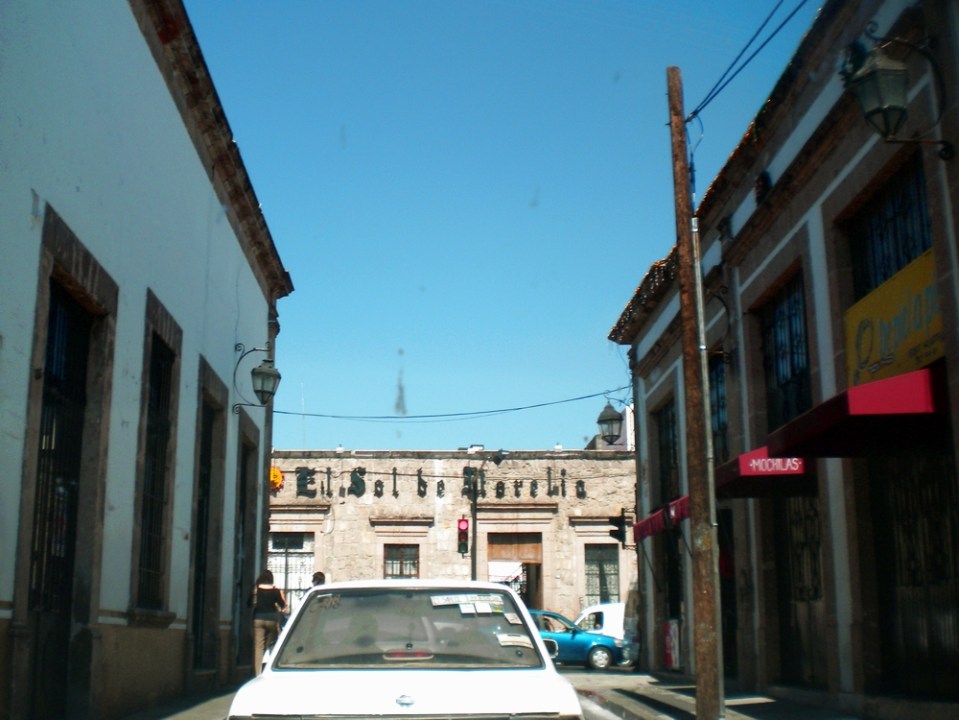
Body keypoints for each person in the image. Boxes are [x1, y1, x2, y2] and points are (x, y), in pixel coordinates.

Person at [252, 569, 286, 675]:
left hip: (258, 618)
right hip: (271, 619)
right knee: (268, 647)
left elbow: (249, 603)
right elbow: (282, 605)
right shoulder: (275, 591)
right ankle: (267, 670)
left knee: (259, 648)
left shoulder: (256, 590)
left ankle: (258, 674)